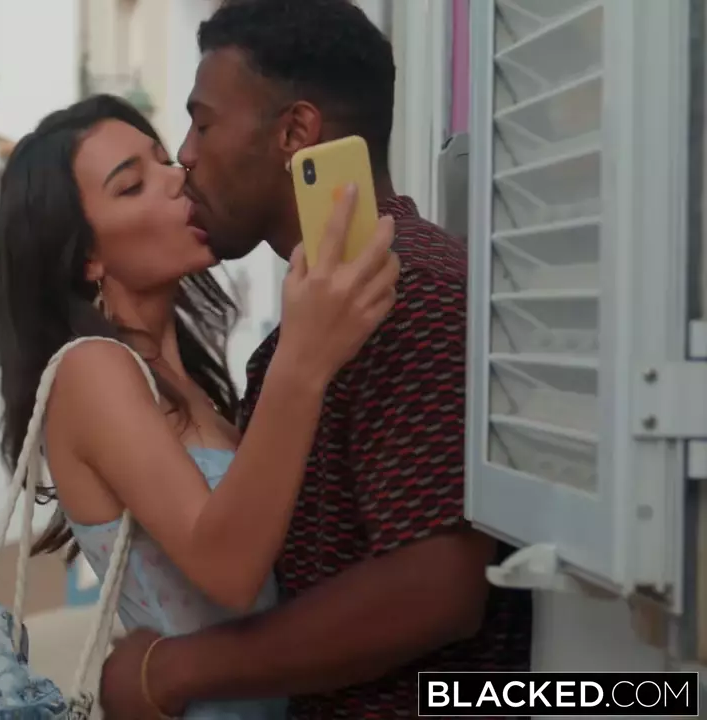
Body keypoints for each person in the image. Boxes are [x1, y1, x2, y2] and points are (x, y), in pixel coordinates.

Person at [98, 1, 534, 718]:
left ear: (295, 132)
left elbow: (437, 587)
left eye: (203, 123)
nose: (186, 154)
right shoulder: (313, 325)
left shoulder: (413, 296)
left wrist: (174, 672)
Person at [0, 92, 399, 719]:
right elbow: (229, 568)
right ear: (88, 257)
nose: (177, 178)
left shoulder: (190, 387)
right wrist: (305, 357)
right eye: (133, 185)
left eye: (164, 160)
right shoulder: (90, 370)